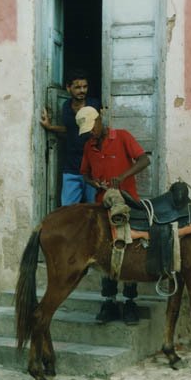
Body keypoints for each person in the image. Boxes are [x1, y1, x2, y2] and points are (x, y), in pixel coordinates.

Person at [76, 105, 151, 325]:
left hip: (127, 204)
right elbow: (85, 175)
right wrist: (95, 183)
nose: (91, 133)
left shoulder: (122, 137)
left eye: (92, 127)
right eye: (87, 131)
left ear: (100, 120)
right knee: (104, 252)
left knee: (128, 249)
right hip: (102, 207)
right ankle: (108, 302)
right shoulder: (89, 147)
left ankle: (129, 303)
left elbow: (144, 160)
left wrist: (122, 176)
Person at [39, 71, 100, 206]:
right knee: (68, 209)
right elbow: (70, 129)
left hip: (93, 168)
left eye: (85, 87)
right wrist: (50, 127)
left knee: (95, 208)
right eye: (78, 87)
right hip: (72, 166)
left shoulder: (94, 105)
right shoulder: (66, 106)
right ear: (68, 88)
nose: (82, 90)